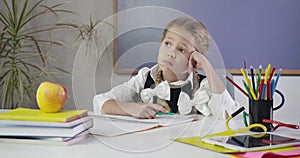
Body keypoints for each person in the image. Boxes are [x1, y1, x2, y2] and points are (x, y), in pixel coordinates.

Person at [93, 17, 239, 119]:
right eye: (167, 44)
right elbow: (100, 101)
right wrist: (131, 108)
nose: (171, 53)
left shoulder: (204, 86)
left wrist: (206, 66)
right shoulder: (144, 78)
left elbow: (231, 116)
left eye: (181, 49)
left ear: (194, 58)